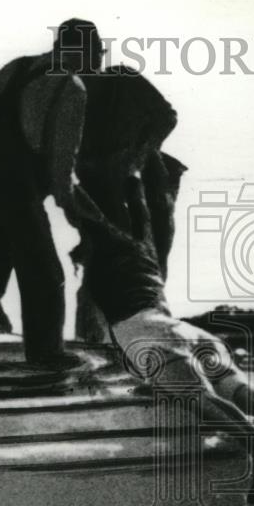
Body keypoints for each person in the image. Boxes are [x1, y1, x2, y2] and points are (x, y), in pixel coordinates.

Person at [65, 181, 254, 504]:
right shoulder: (147, 252)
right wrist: (135, 184)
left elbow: (87, 210)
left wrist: (63, 177)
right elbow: (143, 211)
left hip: (146, 334)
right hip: (191, 334)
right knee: (239, 390)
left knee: (198, 397)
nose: (76, 260)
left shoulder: (109, 244)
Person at [0, 18, 104, 366]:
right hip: (9, 182)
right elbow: (62, 182)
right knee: (43, 271)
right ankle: (46, 356)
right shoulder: (71, 87)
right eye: (97, 51)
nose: (100, 61)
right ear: (82, 51)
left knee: (1, 241)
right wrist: (92, 222)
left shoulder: (16, 68)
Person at [72, 64, 187, 343]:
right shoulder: (65, 92)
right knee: (98, 262)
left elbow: (166, 117)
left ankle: (152, 340)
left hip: (147, 184)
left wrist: (136, 157)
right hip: (100, 188)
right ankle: (99, 341)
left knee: (149, 264)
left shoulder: (121, 78)